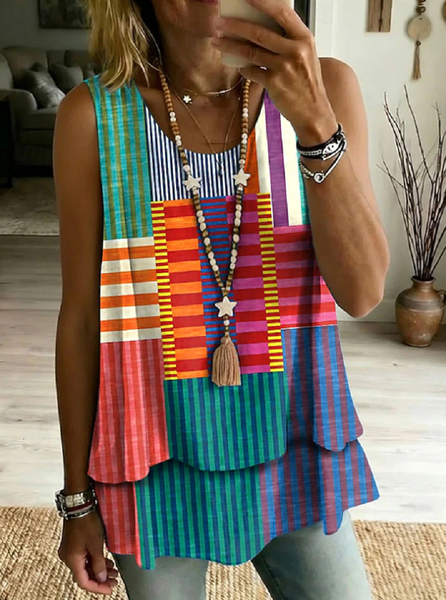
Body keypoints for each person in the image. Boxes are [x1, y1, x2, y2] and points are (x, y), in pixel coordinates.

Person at [53, 0, 390, 598]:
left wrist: (315, 122)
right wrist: (77, 499)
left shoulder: (327, 87)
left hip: (295, 439)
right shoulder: (94, 117)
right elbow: (81, 321)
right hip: (152, 456)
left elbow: (362, 293)